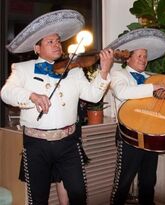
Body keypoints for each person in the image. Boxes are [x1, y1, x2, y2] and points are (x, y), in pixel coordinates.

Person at [1, 9, 114, 205]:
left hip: (68, 142)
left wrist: (104, 72)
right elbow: (6, 93)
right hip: (37, 145)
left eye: (58, 41)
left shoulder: (75, 69)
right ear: (37, 48)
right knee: (39, 198)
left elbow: (93, 95)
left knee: (78, 193)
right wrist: (32, 96)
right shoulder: (22, 69)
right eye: (50, 42)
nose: (56, 45)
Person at [107, 28, 165, 205]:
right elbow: (122, 92)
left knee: (149, 181)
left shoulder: (152, 77)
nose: (144, 59)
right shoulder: (118, 74)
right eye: (139, 55)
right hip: (129, 136)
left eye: (145, 56)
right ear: (128, 58)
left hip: (151, 134)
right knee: (123, 182)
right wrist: (153, 88)